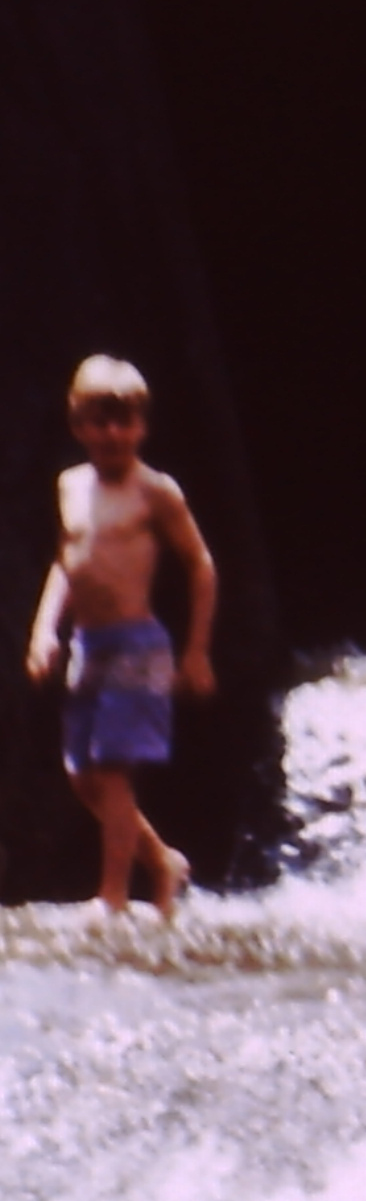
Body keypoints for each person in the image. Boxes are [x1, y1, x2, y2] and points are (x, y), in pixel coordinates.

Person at [23, 357, 217, 918]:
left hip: (136, 646)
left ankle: (112, 898)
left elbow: (200, 564)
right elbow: (67, 562)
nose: (113, 434)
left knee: (112, 771)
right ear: (78, 425)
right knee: (81, 774)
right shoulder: (71, 486)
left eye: (124, 422)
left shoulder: (155, 492)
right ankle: (162, 861)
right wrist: (43, 630)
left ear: (143, 426)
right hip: (89, 644)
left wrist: (197, 650)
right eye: (100, 422)